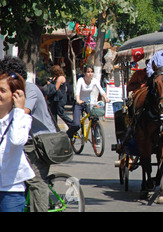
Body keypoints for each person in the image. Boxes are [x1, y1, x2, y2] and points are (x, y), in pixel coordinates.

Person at [0, 56, 57, 212]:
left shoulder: (29, 90)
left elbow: (23, 112)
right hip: (29, 140)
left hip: (42, 142)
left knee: (35, 181)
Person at [0, 72, 35, 212]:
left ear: (14, 95)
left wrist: (20, 110)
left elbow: (16, 140)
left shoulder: (22, 119)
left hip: (11, 190)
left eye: (2, 91)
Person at [66, 65, 110, 139]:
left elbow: (101, 90)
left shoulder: (94, 81)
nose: (90, 74)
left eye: (92, 72)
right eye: (88, 72)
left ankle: (97, 138)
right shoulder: (80, 80)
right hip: (78, 103)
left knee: (94, 119)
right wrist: (78, 100)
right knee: (77, 124)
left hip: (87, 103)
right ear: (84, 73)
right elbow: (77, 92)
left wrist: (106, 98)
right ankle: (68, 135)